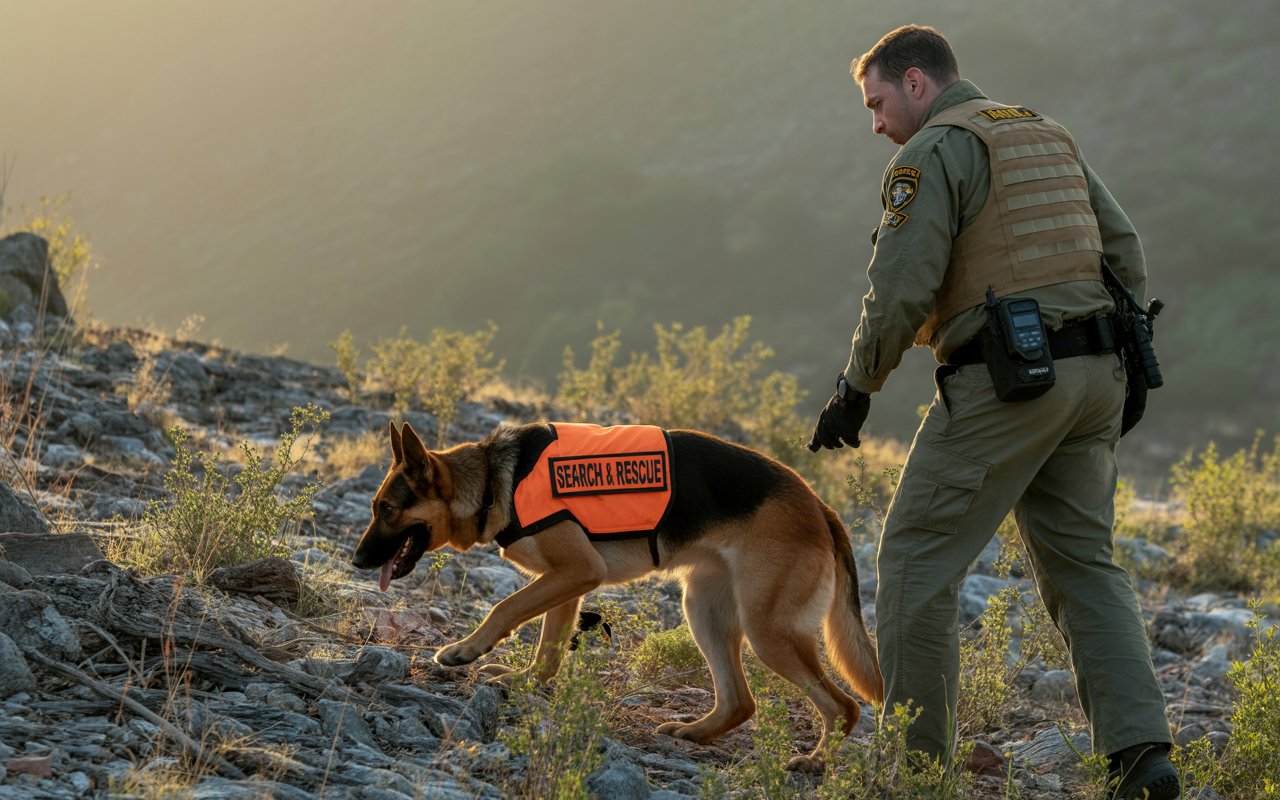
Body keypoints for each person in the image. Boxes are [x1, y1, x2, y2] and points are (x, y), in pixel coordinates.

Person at [807, 25, 1178, 800]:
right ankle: (1143, 760)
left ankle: (918, 777)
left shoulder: (931, 153)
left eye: (877, 103)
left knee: (913, 563)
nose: (875, 123)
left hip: (1012, 382)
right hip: (1099, 375)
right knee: (1086, 566)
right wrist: (1113, 366)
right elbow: (1127, 251)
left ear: (917, 83)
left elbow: (903, 286)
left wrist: (854, 391)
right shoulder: (1044, 132)